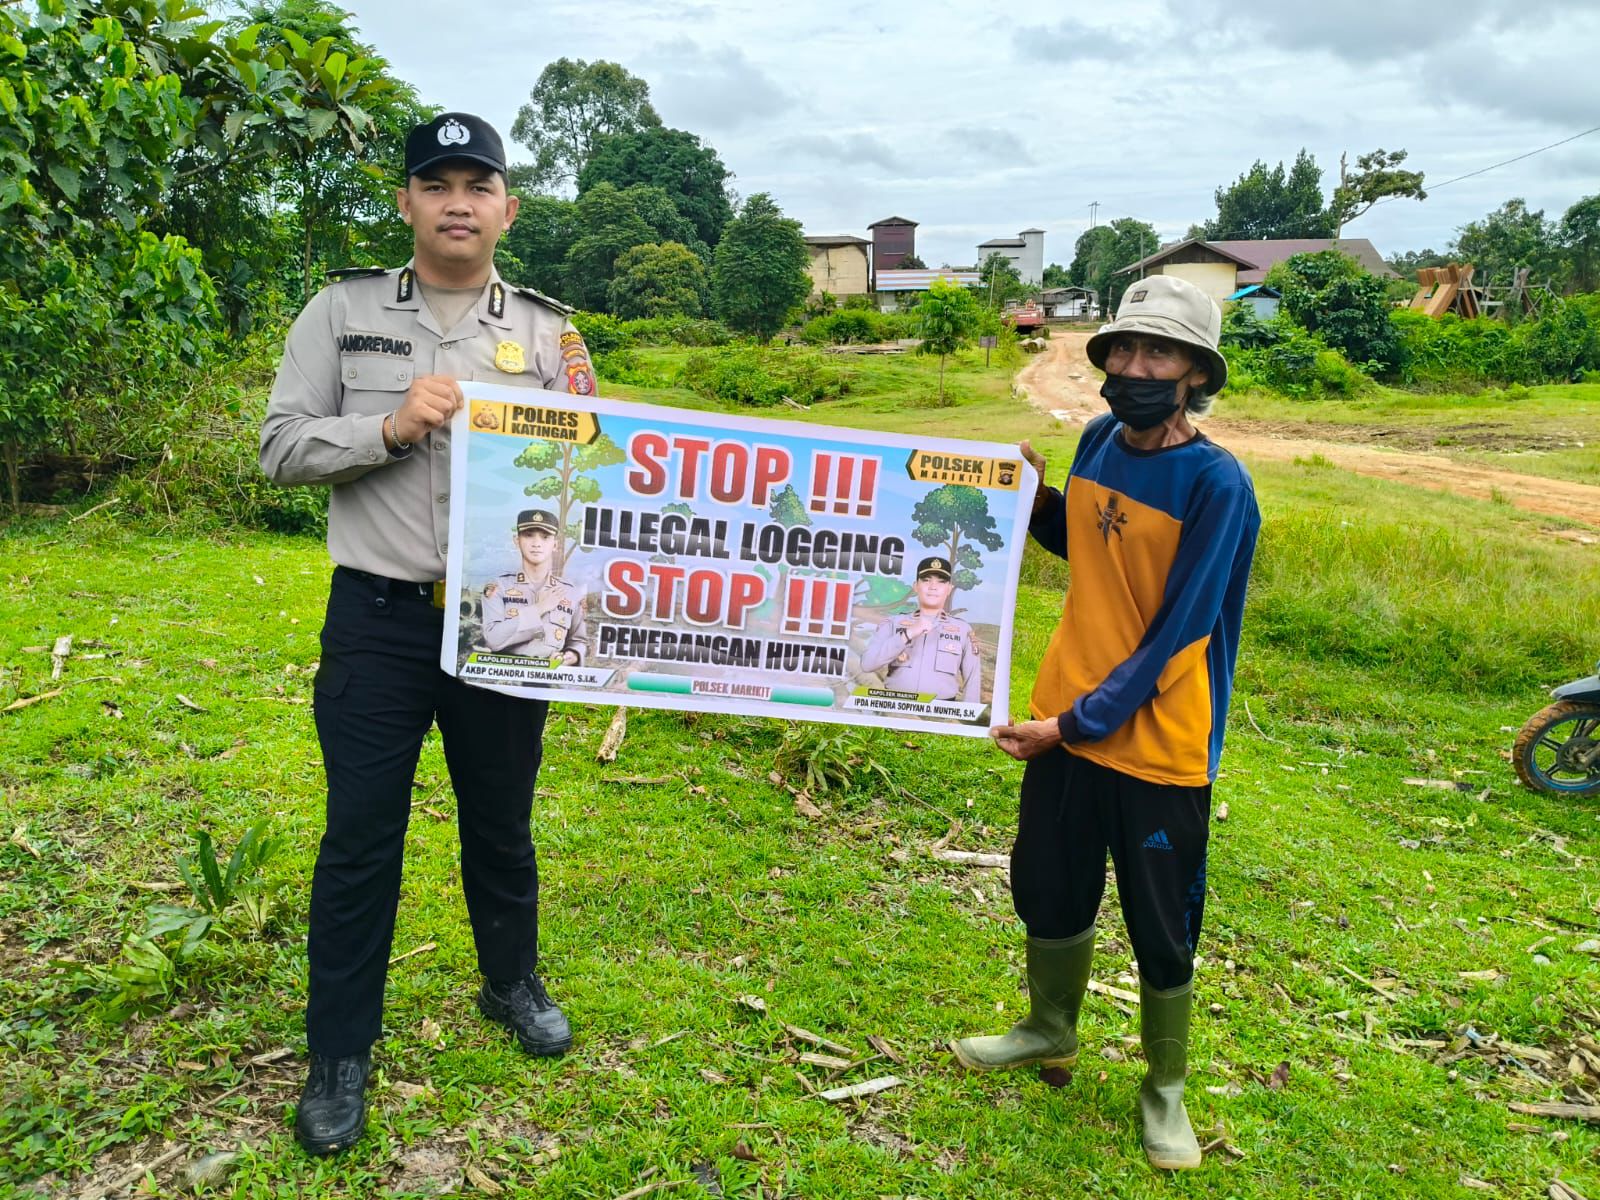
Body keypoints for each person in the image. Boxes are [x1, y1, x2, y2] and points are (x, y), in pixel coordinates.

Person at [259, 112, 594, 1156]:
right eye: (436, 182)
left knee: (501, 818)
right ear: (404, 201)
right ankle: (339, 1051)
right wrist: (389, 428)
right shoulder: (341, 310)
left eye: (478, 184)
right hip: (379, 620)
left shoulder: (552, 336)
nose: (458, 201)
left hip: (501, 627)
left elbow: (602, 471)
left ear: (507, 207)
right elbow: (279, 447)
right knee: (361, 838)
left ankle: (510, 981)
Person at [951, 275, 1260, 1171]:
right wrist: (1039, 500)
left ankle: (1164, 1091)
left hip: (1154, 739)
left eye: (1157, 353)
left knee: (1162, 922)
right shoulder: (1094, 439)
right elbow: (1086, 546)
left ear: (1195, 372)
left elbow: (1179, 635)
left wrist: (1075, 725)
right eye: (1123, 350)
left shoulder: (1216, 484)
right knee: (1048, 884)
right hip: (1067, 712)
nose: (1133, 367)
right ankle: (1050, 1030)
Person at [859, 556, 982, 702]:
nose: (933, 587)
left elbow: (972, 679)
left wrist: (969, 719)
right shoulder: (893, 623)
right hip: (895, 707)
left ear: (949, 589)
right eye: (926, 580)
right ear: (916, 586)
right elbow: (867, 664)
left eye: (941, 582)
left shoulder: (963, 629)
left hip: (941, 712)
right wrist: (907, 633)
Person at [481, 509, 589, 664]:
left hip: (553, 679)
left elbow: (578, 641)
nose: (537, 543)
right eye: (528, 535)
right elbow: (493, 639)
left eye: (545, 537)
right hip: (508, 676)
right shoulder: (499, 587)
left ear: (555, 545)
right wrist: (539, 608)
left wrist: (573, 654)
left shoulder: (570, 592)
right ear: (516, 541)